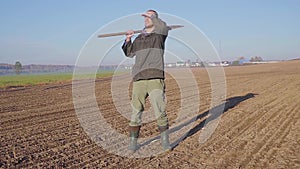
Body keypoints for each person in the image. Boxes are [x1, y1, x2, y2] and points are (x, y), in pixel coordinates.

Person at [122, 9, 171, 152]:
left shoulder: (160, 33)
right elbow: (129, 53)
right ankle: (133, 143)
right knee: (136, 112)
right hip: (139, 79)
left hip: (155, 77)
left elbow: (163, 25)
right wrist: (128, 39)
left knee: (160, 111)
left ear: (155, 18)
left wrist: (154, 17)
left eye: (148, 17)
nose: (146, 19)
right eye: (145, 17)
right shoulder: (139, 38)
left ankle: (165, 142)